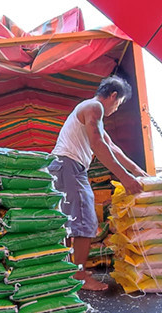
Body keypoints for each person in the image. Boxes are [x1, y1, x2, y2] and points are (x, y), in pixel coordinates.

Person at [48, 75, 148, 291]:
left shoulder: (89, 110)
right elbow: (98, 145)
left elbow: (112, 148)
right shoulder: (95, 107)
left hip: (66, 167)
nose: (116, 109)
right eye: (118, 104)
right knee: (85, 221)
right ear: (113, 96)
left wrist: (137, 171)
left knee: (70, 222)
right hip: (70, 166)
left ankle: (70, 271)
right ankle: (80, 275)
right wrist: (124, 178)